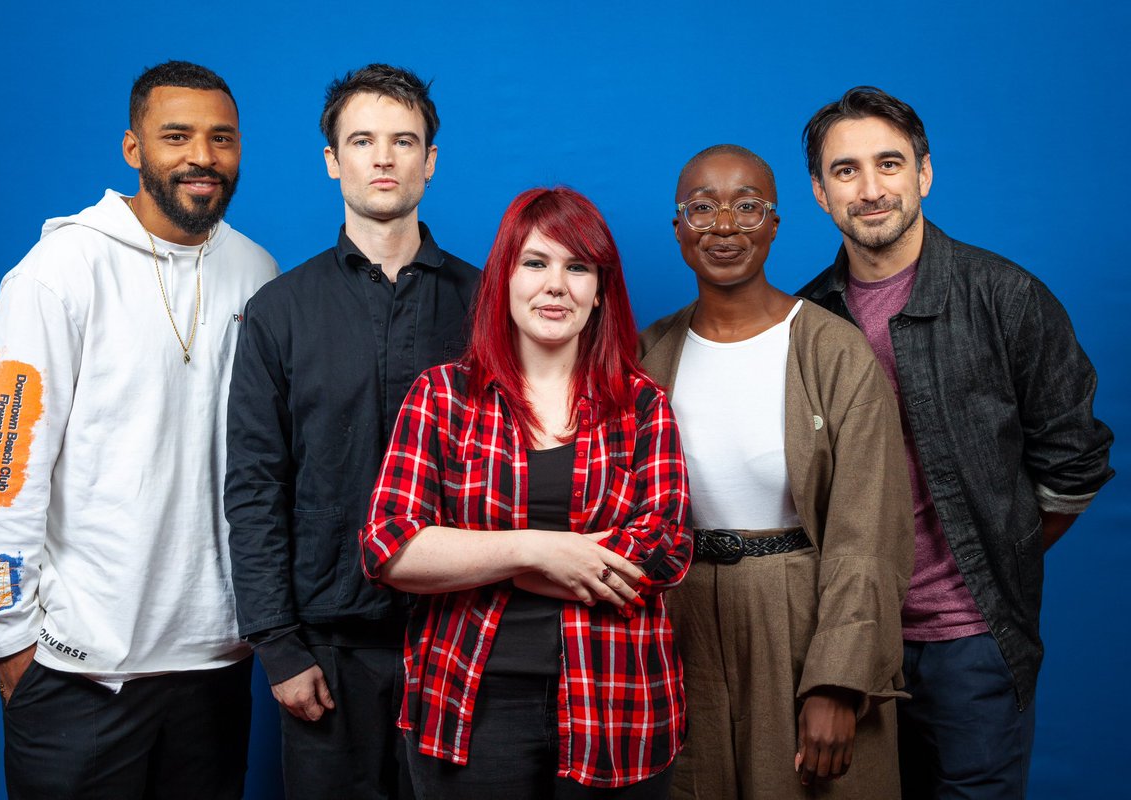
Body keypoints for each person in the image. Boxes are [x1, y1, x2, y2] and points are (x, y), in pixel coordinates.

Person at [0, 60, 277, 798]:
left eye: (221, 138)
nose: (202, 155)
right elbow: (4, 464)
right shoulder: (58, 271)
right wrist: (11, 639)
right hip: (81, 668)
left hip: (215, 662)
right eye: (177, 136)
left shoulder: (259, 273)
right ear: (134, 149)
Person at [798, 86, 1115, 799]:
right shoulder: (807, 320)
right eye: (846, 171)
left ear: (924, 173)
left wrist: (990, 555)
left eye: (889, 163)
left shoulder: (1005, 297)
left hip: (974, 643)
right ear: (820, 192)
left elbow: (1075, 458)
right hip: (854, 643)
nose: (871, 188)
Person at [360, 187, 692, 799]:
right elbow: (391, 545)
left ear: (599, 288)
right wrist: (537, 552)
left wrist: (470, 557)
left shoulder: (642, 404)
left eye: (577, 267)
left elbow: (662, 548)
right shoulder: (442, 397)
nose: (555, 285)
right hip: (469, 702)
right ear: (505, 277)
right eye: (535, 263)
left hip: (618, 704)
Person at [224, 64, 480, 799]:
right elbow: (254, 484)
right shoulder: (279, 310)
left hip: (459, 635)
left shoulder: (486, 301)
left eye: (405, 141)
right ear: (333, 160)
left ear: (429, 161)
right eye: (362, 140)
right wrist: (276, 644)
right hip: (326, 648)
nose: (384, 157)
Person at [639, 145, 914, 799]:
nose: (725, 226)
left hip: (799, 615)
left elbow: (867, 533)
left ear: (775, 223)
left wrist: (837, 681)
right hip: (679, 625)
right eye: (702, 208)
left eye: (748, 206)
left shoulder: (832, 351)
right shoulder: (649, 355)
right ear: (678, 227)